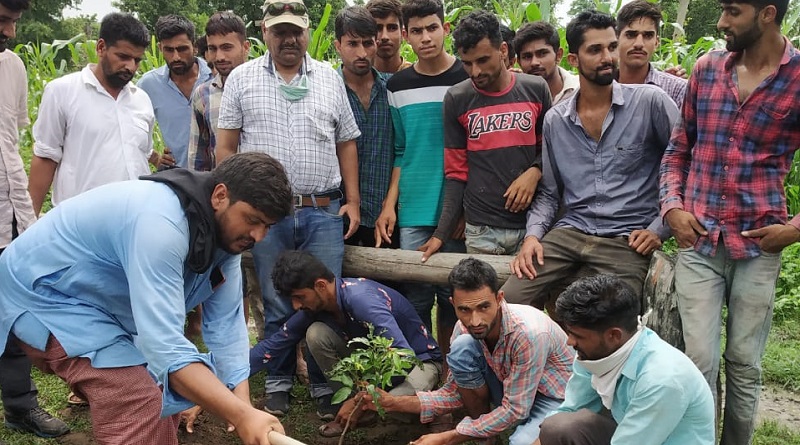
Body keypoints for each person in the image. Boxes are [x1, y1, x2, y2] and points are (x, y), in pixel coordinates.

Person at [0, 153, 291, 445]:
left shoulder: (226, 239)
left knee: (162, 390)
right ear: (220, 195)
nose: (258, 236)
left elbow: (228, 328)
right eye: (252, 220)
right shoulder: (161, 223)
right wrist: (240, 416)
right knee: (136, 397)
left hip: (96, 305)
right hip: (44, 292)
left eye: (267, 226)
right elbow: (164, 347)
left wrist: (242, 407)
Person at [659, 0, 800, 442]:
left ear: (767, 14)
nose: (721, 22)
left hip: (758, 246)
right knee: (698, 362)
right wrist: (672, 208)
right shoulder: (707, 68)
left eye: (732, 11)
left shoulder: (797, 79)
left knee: (744, 364)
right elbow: (678, 150)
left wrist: (795, 229)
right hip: (698, 242)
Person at [216, 0, 361, 417]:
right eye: (279, 31)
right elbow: (226, 147)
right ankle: (278, 381)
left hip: (322, 209)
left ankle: (322, 385)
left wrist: (351, 201)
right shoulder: (242, 79)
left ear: (307, 31)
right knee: (278, 301)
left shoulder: (330, 78)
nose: (289, 39)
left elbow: (345, 142)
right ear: (265, 33)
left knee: (322, 298)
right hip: (268, 216)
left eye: (295, 30)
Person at [502, 10, 679, 316]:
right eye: (595, 50)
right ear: (573, 59)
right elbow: (549, 192)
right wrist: (532, 237)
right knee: (506, 304)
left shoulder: (650, 102)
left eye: (611, 47)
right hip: (571, 232)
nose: (608, 57)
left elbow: (683, 167)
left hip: (627, 239)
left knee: (611, 319)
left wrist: (658, 229)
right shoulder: (556, 121)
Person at [361, 258, 573, 445]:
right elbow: (454, 393)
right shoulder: (463, 328)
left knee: (520, 442)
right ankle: (486, 435)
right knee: (463, 346)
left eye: (483, 307)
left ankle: (490, 430)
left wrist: (451, 436)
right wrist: (393, 403)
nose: (475, 320)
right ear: (452, 304)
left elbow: (517, 409)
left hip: (553, 397)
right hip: (514, 389)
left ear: (499, 299)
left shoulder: (528, 334)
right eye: (464, 309)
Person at [249, 251, 442, 437]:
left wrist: (363, 398)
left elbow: (403, 356)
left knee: (392, 403)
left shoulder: (361, 300)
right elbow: (274, 344)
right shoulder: (318, 305)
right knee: (316, 333)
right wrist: (230, 378)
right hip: (378, 364)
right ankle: (359, 409)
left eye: (299, 297)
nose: (296, 306)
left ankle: (435, 411)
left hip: (419, 362)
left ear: (321, 285)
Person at [373, 0, 469, 355]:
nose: (425, 37)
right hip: (413, 207)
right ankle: (420, 368)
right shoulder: (397, 85)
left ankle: (453, 368)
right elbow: (402, 149)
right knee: (413, 296)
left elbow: (474, 150)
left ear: (446, 29)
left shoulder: (466, 77)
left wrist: (463, 209)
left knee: (453, 296)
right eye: (416, 30)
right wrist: (389, 205)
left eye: (432, 28)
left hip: (455, 210)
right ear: (405, 35)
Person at [418, 10, 550, 261]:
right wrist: (440, 234)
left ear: (502, 50)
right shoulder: (458, 98)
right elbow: (456, 173)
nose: (475, 71)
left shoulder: (536, 90)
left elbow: (552, 150)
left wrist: (535, 171)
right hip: (481, 230)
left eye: (482, 60)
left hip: (531, 227)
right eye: (467, 63)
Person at [536, 275, 715, 445]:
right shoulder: (594, 351)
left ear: (614, 335)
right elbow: (570, 410)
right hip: (631, 436)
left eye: (577, 336)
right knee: (558, 427)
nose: (570, 341)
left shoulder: (662, 379)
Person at [0, 0, 69, 439]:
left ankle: (20, 407)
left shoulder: (13, 68)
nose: (8, 31)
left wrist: (27, 215)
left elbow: (12, 142)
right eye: (1, 20)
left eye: (12, 22)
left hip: (9, 213)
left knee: (12, 313)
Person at [28, 12, 156, 216]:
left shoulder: (141, 99)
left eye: (137, 60)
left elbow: (143, 153)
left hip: (134, 218)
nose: (130, 67)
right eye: (123, 57)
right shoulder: (62, 91)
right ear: (101, 47)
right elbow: (45, 157)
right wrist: (29, 221)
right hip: (79, 222)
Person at [185, 12, 265, 339]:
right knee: (231, 277)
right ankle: (236, 342)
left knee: (268, 279)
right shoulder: (203, 94)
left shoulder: (263, 84)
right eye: (213, 48)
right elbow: (199, 154)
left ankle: (276, 349)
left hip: (262, 203)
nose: (219, 56)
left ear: (246, 47)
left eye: (227, 47)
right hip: (226, 204)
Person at [334, 6, 395, 248]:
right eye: (352, 44)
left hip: (386, 216)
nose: (362, 53)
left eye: (368, 43)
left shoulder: (393, 89)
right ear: (338, 45)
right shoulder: (325, 91)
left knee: (388, 284)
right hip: (338, 215)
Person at [138, 14, 213, 169]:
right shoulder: (149, 85)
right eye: (169, 50)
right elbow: (129, 124)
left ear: (195, 47)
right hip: (178, 179)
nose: (176, 57)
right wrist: (154, 156)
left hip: (216, 177)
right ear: (160, 48)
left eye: (182, 49)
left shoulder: (214, 78)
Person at [616, 0, 687, 106]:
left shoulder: (675, 90)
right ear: (616, 39)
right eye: (631, 35)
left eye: (648, 36)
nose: (639, 44)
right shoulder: (599, 88)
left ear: (656, 42)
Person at [514, 21, 579, 103]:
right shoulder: (515, 98)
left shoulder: (581, 90)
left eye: (542, 53)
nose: (534, 62)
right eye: (527, 56)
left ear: (558, 55)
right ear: (519, 62)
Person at [366, 0, 412, 74]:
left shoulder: (418, 78)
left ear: (403, 34)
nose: (385, 37)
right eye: (378, 28)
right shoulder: (357, 79)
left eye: (392, 28)